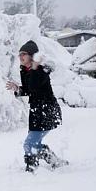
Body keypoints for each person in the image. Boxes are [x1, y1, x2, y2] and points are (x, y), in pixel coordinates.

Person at [6, 40, 67, 172]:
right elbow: (29, 89)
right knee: (35, 142)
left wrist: (34, 68)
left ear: (32, 56)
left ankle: (32, 168)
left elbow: (34, 86)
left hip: (46, 111)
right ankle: (55, 162)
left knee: (29, 144)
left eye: (24, 54)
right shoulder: (26, 70)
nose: (21, 57)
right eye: (19, 54)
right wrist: (18, 89)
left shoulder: (41, 70)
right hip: (36, 111)